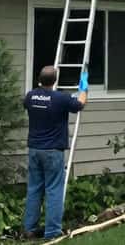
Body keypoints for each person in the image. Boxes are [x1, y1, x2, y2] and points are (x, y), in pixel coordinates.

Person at [22, 65, 87, 240]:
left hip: (34, 150)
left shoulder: (30, 96)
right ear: (55, 81)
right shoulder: (60, 99)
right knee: (54, 190)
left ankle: (29, 229)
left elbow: (32, 104)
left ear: (39, 80)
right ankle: (52, 232)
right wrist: (83, 88)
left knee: (34, 189)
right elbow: (79, 104)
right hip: (52, 152)